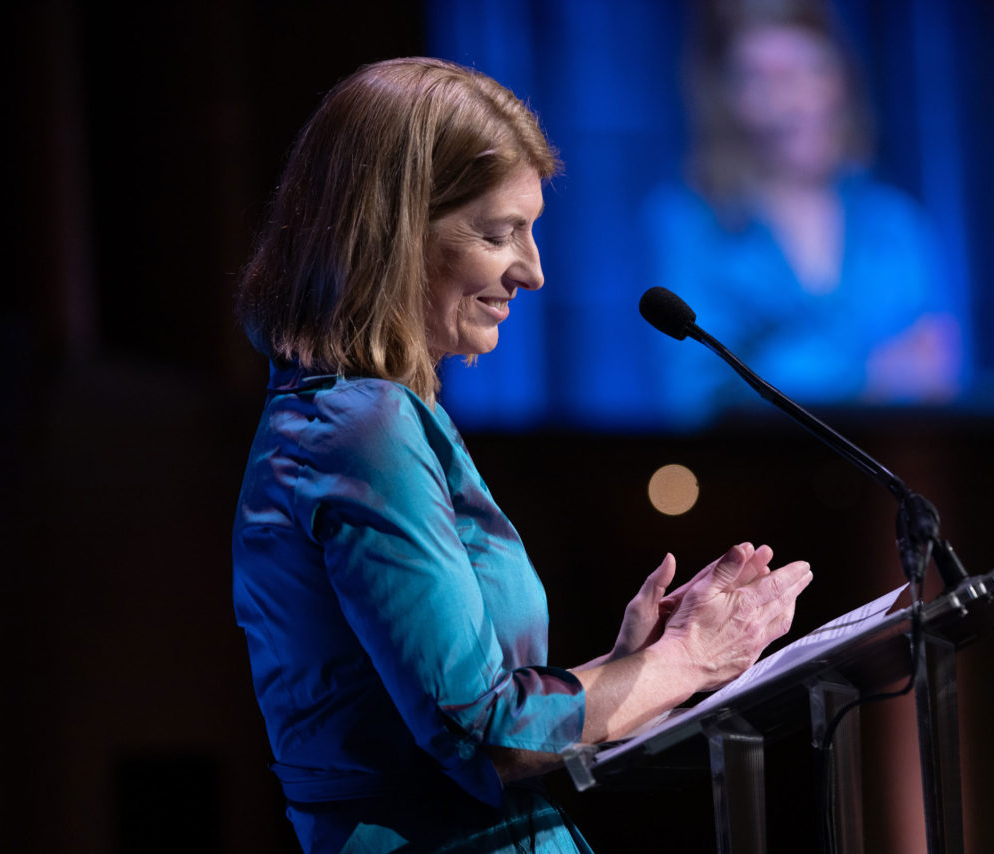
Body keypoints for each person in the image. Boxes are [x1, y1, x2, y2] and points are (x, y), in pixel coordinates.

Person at [232, 57, 813, 854]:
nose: (533, 271)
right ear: (395, 231)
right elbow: (486, 738)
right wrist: (691, 660)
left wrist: (629, 667)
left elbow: (453, 713)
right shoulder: (358, 431)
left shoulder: (360, 418)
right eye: (499, 232)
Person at [643, 0, 962, 426]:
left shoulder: (896, 224)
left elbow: (937, 377)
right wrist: (865, 378)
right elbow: (701, 398)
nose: (788, 103)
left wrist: (781, 362)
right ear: (728, 98)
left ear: (840, 80)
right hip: (752, 478)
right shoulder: (689, 224)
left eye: (804, 72)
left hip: (884, 478)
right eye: (759, 80)